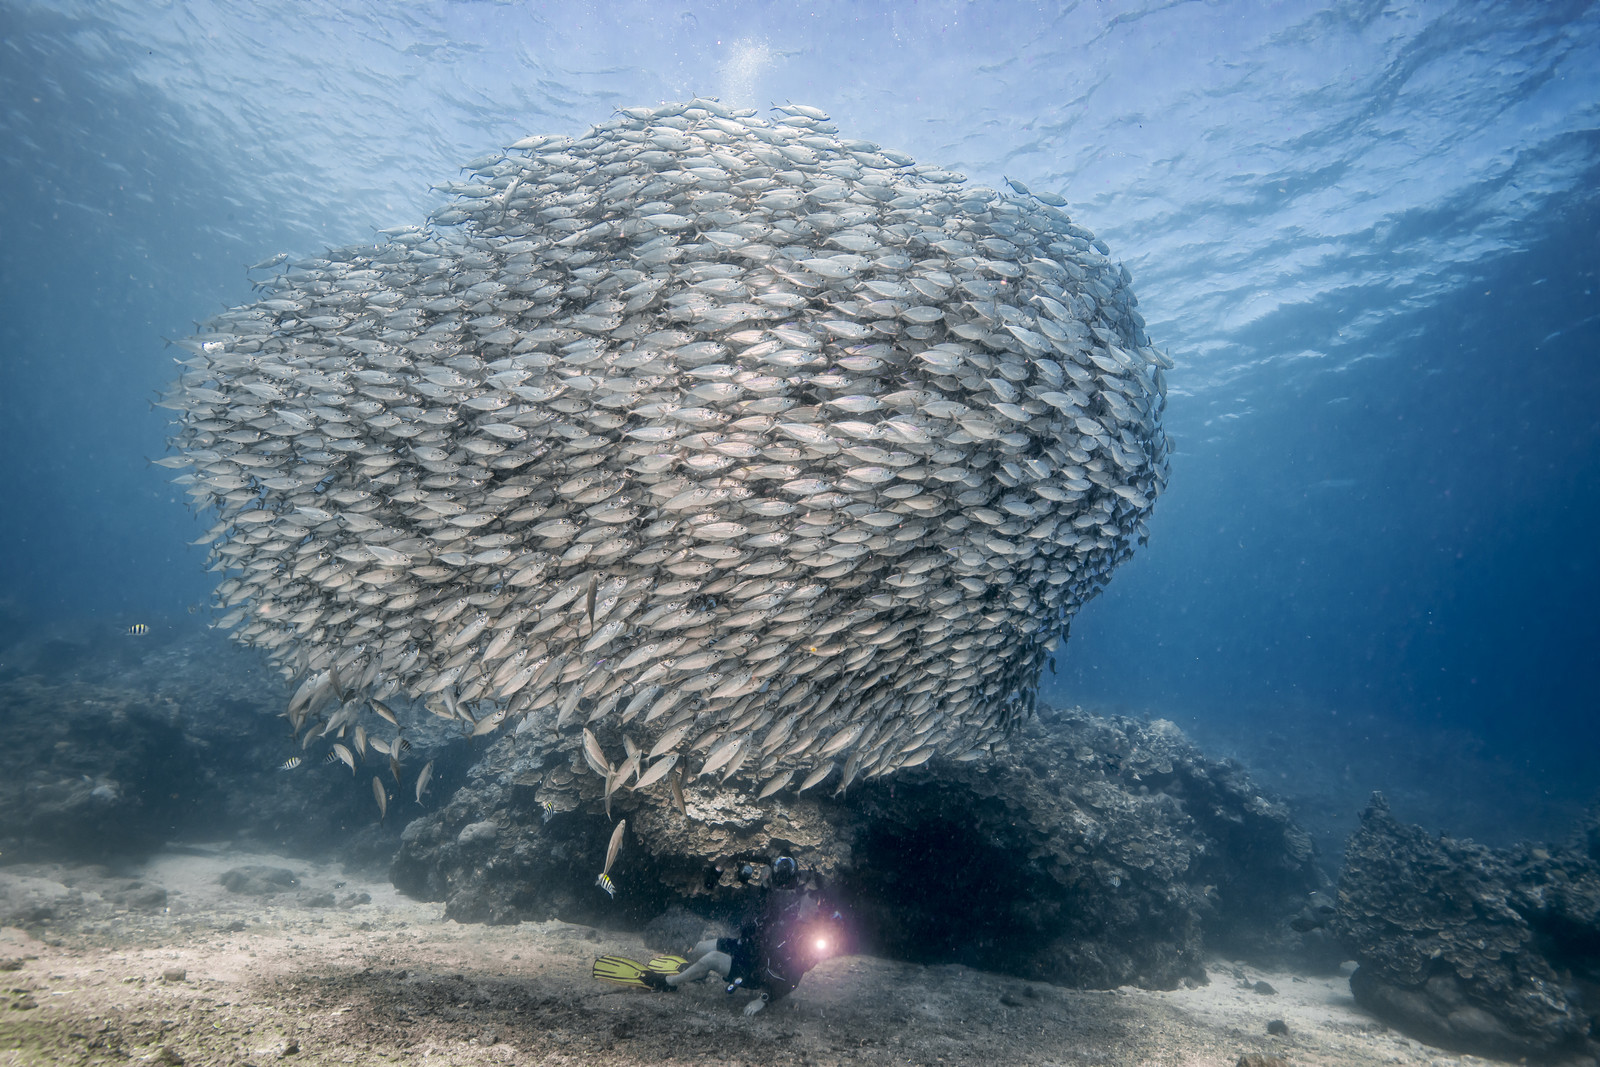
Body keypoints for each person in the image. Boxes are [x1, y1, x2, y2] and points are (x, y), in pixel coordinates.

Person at [593, 855, 843, 1015]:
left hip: (754, 971)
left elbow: (792, 980)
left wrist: (763, 1000)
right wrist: (766, 885)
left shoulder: (806, 941)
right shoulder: (788, 908)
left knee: (711, 958)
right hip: (747, 946)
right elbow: (768, 910)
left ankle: (668, 984)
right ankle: (695, 974)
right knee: (700, 948)